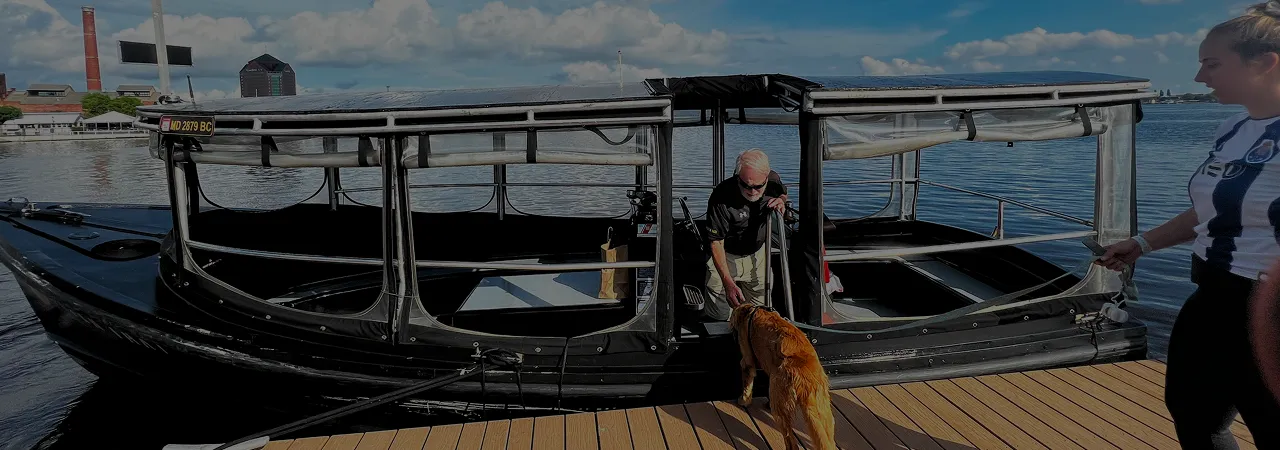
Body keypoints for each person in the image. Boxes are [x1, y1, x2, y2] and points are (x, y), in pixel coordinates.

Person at [1096, 3, 1280, 447]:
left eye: (1212, 64)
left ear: (1265, 63)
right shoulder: (1233, 128)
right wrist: (1143, 242)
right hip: (1214, 295)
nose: (1199, 77)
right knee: (1195, 412)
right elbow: (1213, 209)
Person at [702, 148, 788, 321]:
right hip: (725, 254)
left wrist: (782, 201)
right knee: (720, 315)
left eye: (758, 186)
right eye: (746, 185)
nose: (752, 191)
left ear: (766, 178)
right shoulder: (721, 196)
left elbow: (783, 192)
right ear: (737, 176)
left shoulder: (773, 181)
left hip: (758, 254)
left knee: (761, 314)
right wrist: (728, 283)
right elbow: (716, 242)